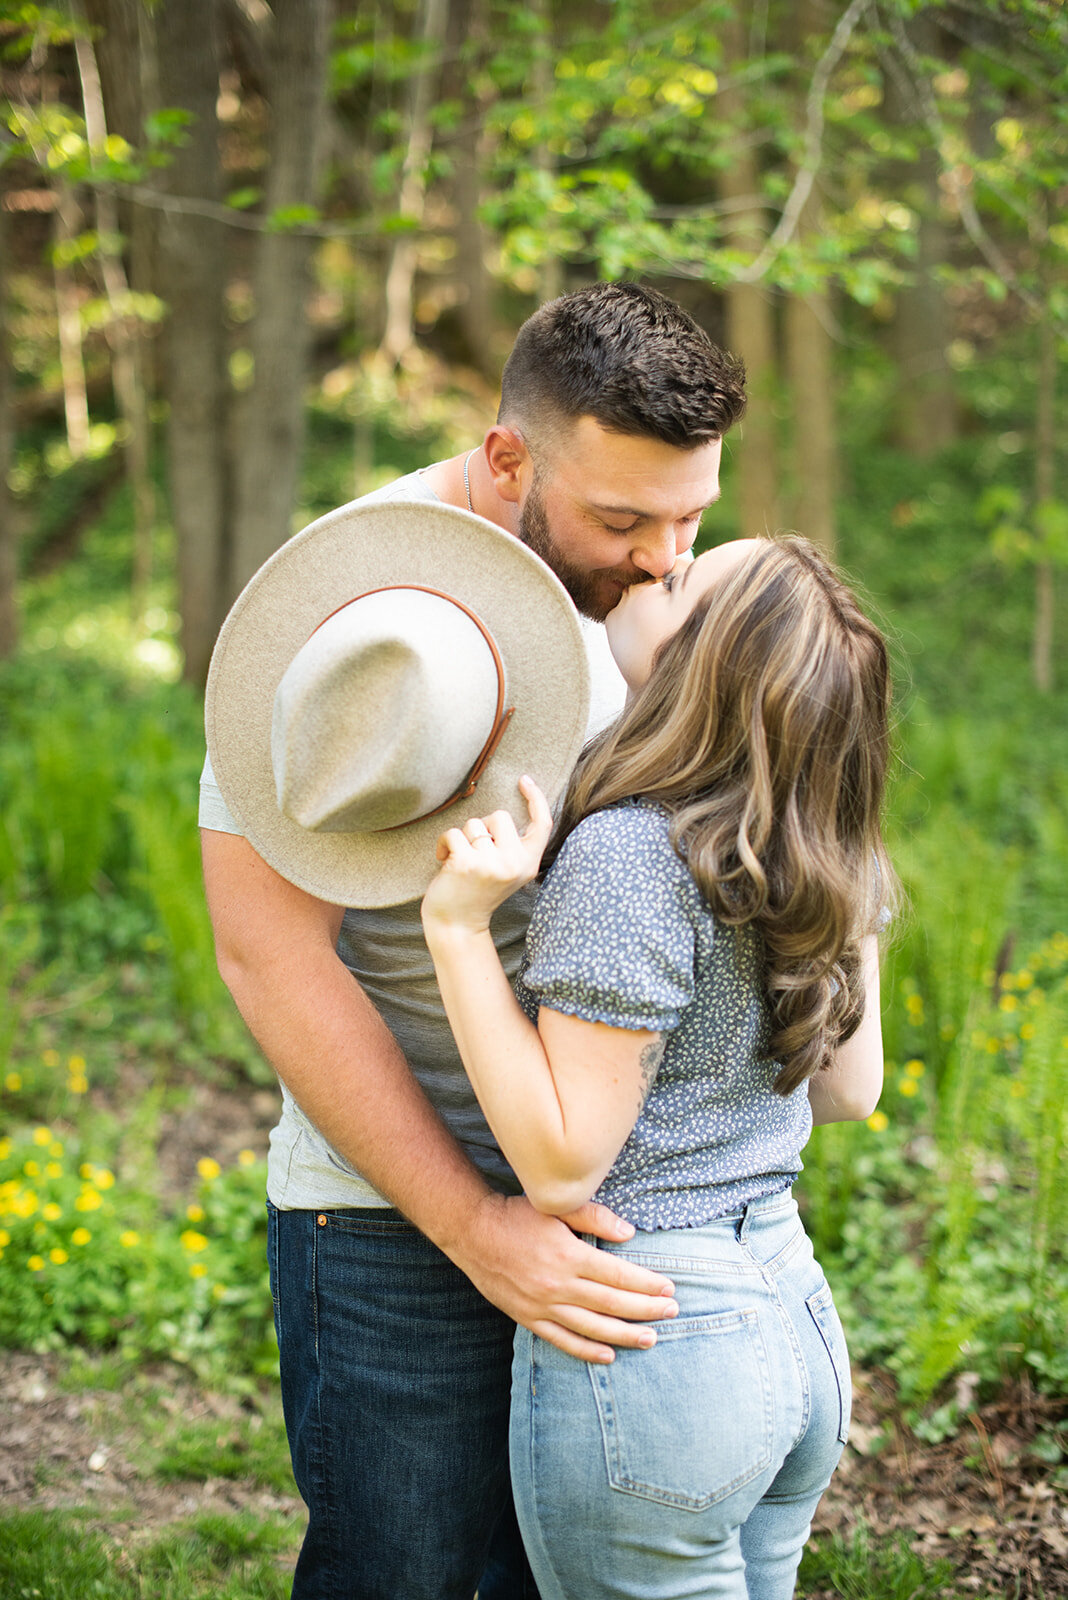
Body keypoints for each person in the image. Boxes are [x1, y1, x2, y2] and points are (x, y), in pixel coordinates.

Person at [199, 280, 748, 1599]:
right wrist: (473, 1225)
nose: (667, 558)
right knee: (412, 1573)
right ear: (509, 456)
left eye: (692, 514)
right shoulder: (345, 619)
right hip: (397, 1218)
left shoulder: (656, 589)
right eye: (623, 518)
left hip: (622, 1199)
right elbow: (269, 955)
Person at [421, 534, 897, 1600]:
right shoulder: (812, 833)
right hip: (791, 1305)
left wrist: (457, 929)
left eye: (676, 583)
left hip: (661, 1336)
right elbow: (851, 1089)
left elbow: (560, 1168)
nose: (647, 571)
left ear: (701, 667)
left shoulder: (633, 852)